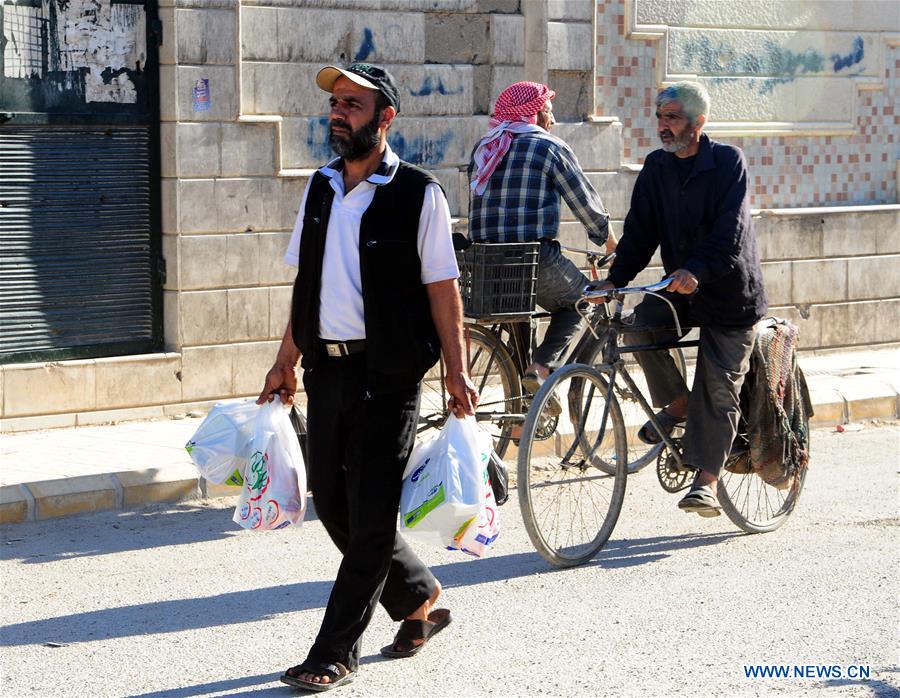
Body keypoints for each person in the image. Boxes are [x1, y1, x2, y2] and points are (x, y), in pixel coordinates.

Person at [257, 62, 478, 692]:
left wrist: (458, 372)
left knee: (373, 513)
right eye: (336, 102)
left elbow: (443, 287)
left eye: (353, 104)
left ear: (385, 118)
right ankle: (418, 594)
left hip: (388, 374)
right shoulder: (321, 186)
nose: (338, 112)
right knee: (332, 501)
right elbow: (308, 284)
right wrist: (284, 361)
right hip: (327, 369)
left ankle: (334, 652)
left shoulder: (417, 193)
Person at [593, 81, 768, 517]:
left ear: (698, 122)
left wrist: (697, 270)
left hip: (729, 293)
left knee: (718, 383)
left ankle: (706, 481)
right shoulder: (657, 167)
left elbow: (731, 232)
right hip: (680, 290)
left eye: (672, 118)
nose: (663, 126)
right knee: (638, 324)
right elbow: (640, 232)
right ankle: (677, 403)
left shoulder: (728, 162)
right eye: (659, 118)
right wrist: (615, 279)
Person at [467, 81, 615, 404]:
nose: (553, 119)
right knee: (580, 300)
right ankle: (541, 367)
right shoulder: (548, 148)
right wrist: (610, 243)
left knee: (521, 315)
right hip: (533, 259)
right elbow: (584, 203)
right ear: (533, 114)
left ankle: (524, 414)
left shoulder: (484, 149)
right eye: (548, 111)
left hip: (484, 267)